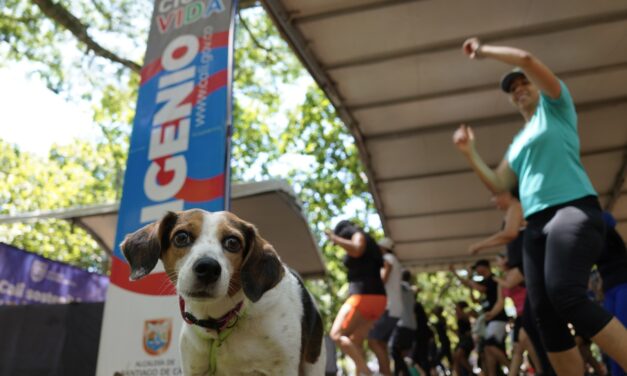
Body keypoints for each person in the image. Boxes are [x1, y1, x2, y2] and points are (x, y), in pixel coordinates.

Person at [453, 37, 627, 374]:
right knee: (543, 317)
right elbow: (500, 183)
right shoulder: (518, 143)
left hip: (572, 210)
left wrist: (484, 51)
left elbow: (526, 58)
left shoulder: (557, 108)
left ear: (538, 85)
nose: (519, 89)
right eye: (512, 89)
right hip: (536, 226)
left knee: (566, 293)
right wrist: (469, 153)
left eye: (523, 83)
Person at [469, 190, 554, 375]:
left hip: (538, 280)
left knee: (542, 334)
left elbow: (509, 234)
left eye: (495, 195)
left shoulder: (517, 206)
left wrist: (479, 245)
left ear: (507, 194)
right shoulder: (514, 213)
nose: (493, 201)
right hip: (533, 284)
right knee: (529, 336)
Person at [326, 220, 387, 376]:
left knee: (337, 335)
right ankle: (360, 373)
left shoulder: (359, 235)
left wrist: (335, 238)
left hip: (363, 296)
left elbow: (357, 249)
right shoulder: (373, 245)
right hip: (378, 300)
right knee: (355, 341)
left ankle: (367, 372)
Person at [450, 260, 508, 376]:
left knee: (490, 346)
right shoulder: (485, 284)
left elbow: (480, 288)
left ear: (484, 267)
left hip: (497, 319)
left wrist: (468, 277)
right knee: (487, 350)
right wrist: (457, 275)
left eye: (477, 268)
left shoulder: (493, 280)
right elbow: (475, 295)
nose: (476, 271)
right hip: (490, 320)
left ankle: (511, 367)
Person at [368, 237, 403, 376]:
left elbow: (383, 278)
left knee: (373, 341)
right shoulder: (395, 260)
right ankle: (386, 372)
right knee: (381, 343)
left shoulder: (388, 258)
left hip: (388, 307)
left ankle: (386, 373)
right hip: (395, 308)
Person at [598, 212, 627, 376]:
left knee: (621, 334)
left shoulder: (606, 230)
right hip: (611, 289)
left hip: (623, 285)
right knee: (613, 341)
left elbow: (608, 219)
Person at [390, 270, 418, 376]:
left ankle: (405, 373)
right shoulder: (411, 291)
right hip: (411, 326)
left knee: (394, 350)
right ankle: (399, 373)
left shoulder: (400, 287)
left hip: (403, 324)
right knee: (400, 353)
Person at [452, 301, 474, 376]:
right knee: (456, 357)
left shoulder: (465, 316)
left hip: (467, 341)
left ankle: (471, 372)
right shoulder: (459, 319)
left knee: (459, 355)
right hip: (462, 340)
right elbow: (460, 333)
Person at [432, 306, 452, 371]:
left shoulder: (442, 319)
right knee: (447, 358)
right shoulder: (440, 320)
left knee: (440, 358)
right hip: (443, 341)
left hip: (445, 341)